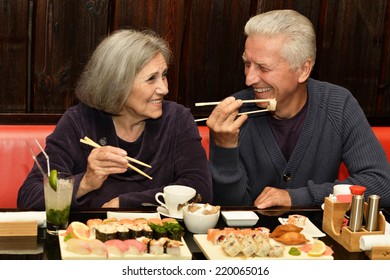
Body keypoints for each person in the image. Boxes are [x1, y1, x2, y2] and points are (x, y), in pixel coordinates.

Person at [206, 9, 390, 208]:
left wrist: (297, 198)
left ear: (303, 70)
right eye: (247, 64)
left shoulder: (338, 105)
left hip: (319, 237)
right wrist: (225, 149)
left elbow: (382, 185)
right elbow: (229, 208)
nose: (249, 78)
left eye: (263, 68)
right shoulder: (232, 115)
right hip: (251, 237)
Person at [18, 29, 212, 209]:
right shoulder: (79, 122)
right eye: (151, 78)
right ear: (118, 84)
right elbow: (28, 197)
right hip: (87, 240)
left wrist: (126, 204)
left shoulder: (177, 120)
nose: (164, 89)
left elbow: (199, 189)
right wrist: (85, 182)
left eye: (164, 75)